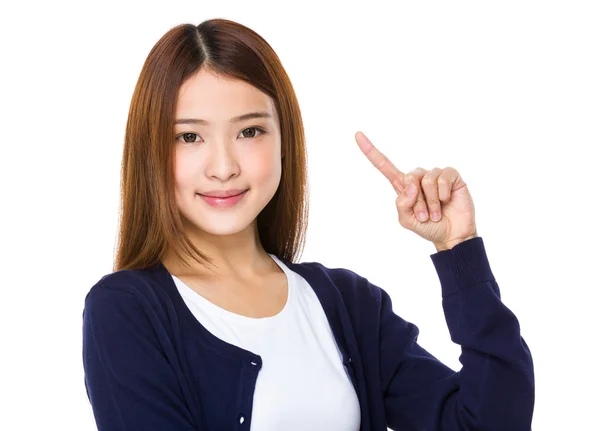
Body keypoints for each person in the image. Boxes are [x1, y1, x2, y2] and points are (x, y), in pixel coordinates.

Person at [82, 18, 535, 431]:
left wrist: (459, 250)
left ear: (285, 141)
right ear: (152, 152)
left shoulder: (348, 305)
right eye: (189, 136)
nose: (222, 167)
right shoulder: (126, 312)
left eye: (249, 131)